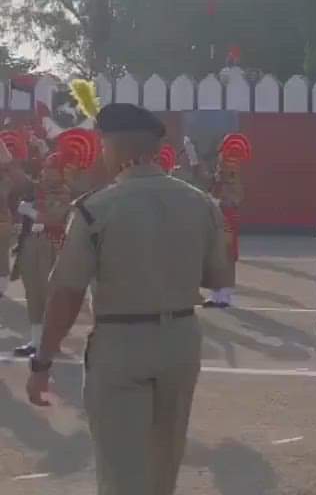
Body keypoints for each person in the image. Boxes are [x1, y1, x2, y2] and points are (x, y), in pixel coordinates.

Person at [25, 102, 232, 495]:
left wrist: (43, 362)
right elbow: (217, 276)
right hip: (180, 339)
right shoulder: (200, 202)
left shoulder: (96, 208)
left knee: (121, 473)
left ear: (115, 148)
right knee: (163, 467)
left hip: (120, 343)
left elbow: (67, 292)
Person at [11, 129, 94, 356]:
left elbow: (54, 219)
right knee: (33, 293)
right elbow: (16, 176)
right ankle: (36, 340)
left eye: (51, 170)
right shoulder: (37, 190)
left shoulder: (64, 193)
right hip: (31, 243)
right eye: (46, 169)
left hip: (52, 245)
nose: (47, 173)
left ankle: (50, 341)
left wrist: (28, 211)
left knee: (50, 295)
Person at [201, 134, 250, 309]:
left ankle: (225, 295)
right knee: (215, 257)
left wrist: (218, 202)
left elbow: (234, 201)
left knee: (227, 257)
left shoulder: (233, 181)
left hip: (228, 221)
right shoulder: (218, 179)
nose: (220, 164)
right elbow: (206, 181)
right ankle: (215, 294)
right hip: (216, 220)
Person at [0, 131, 32, 301]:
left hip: (2, 220)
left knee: (1, 253)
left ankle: (1, 286)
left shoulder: (6, 179)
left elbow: (23, 184)